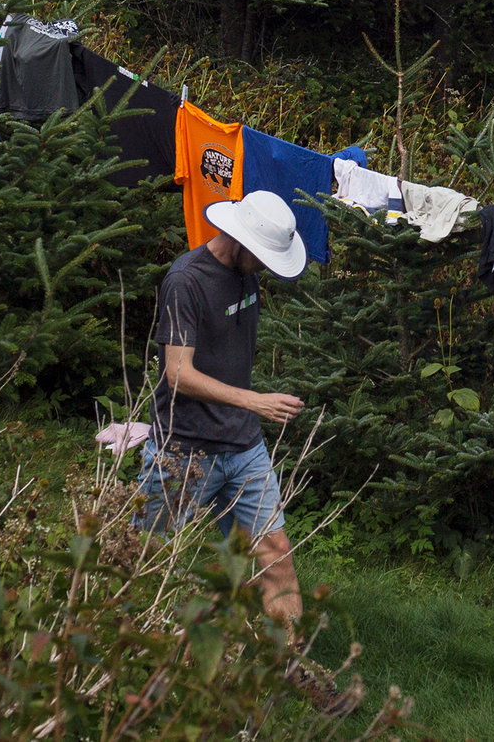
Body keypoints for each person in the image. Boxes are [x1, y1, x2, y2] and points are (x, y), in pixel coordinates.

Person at [140, 189, 358, 715]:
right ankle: (131, 671)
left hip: (242, 446)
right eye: (262, 255)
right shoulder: (185, 281)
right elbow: (177, 373)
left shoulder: (248, 272)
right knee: (148, 564)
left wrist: (246, 411)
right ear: (237, 239)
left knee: (275, 553)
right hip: (183, 450)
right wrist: (254, 400)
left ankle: (296, 671)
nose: (266, 268)